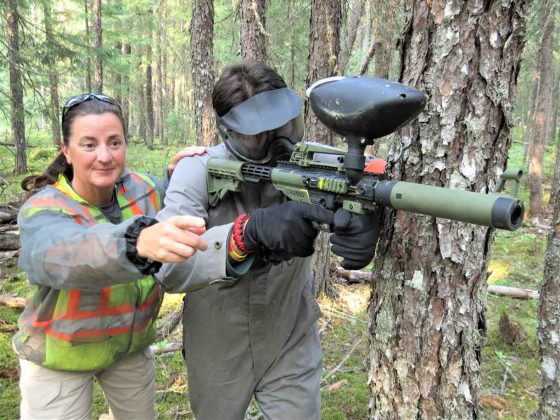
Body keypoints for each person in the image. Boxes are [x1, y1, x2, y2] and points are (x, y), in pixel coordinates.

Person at [156, 61, 381, 419]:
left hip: (290, 332)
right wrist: (245, 235)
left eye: (283, 126)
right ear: (228, 131)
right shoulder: (196, 170)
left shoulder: (317, 163)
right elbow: (168, 267)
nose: (275, 140)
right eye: (256, 133)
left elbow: (369, 188)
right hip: (217, 341)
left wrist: (366, 222)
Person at [13, 93, 211, 420]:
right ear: (66, 149)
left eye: (114, 142)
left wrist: (180, 178)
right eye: (89, 144)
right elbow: (62, 254)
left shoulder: (145, 189)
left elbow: (171, 202)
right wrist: (135, 243)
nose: (105, 156)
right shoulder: (43, 209)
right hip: (60, 357)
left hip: (127, 348)